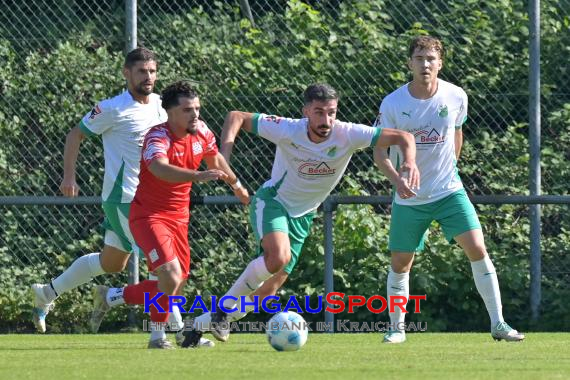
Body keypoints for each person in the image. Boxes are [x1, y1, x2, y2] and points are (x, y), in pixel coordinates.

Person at [180, 83, 419, 346]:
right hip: (273, 202)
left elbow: (404, 138)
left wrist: (408, 162)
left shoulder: (348, 134)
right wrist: (224, 154)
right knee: (277, 257)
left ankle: (197, 325)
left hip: (303, 216)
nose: (326, 120)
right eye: (318, 112)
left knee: (265, 292)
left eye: (331, 112)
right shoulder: (288, 128)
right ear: (306, 111)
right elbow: (236, 116)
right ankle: (223, 312)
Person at [30, 48, 212, 346]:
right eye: (142, 71)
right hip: (127, 199)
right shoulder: (112, 108)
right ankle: (179, 334)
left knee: (112, 263)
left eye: (152, 71)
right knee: (167, 269)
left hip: (155, 202)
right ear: (126, 73)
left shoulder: (163, 106)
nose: (148, 77)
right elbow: (75, 134)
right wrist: (68, 175)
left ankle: (46, 293)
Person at [374, 36, 525, 343]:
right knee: (400, 263)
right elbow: (379, 152)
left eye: (431, 58)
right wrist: (397, 180)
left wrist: (448, 171)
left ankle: (498, 324)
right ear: (409, 63)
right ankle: (396, 329)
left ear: (440, 63)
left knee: (478, 249)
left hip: (449, 193)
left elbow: (457, 135)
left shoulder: (455, 96)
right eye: (419, 58)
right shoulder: (393, 103)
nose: (425, 64)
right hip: (410, 198)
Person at [89, 80, 249, 349]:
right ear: (170, 113)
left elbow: (215, 158)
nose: (195, 114)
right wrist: (197, 176)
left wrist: (236, 184)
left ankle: (112, 297)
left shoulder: (201, 132)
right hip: (149, 216)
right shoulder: (157, 136)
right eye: (188, 110)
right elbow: (160, 169)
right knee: (170, 276)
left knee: (175, 285)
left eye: (197, 108)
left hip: (179, 218)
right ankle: (157, 338)